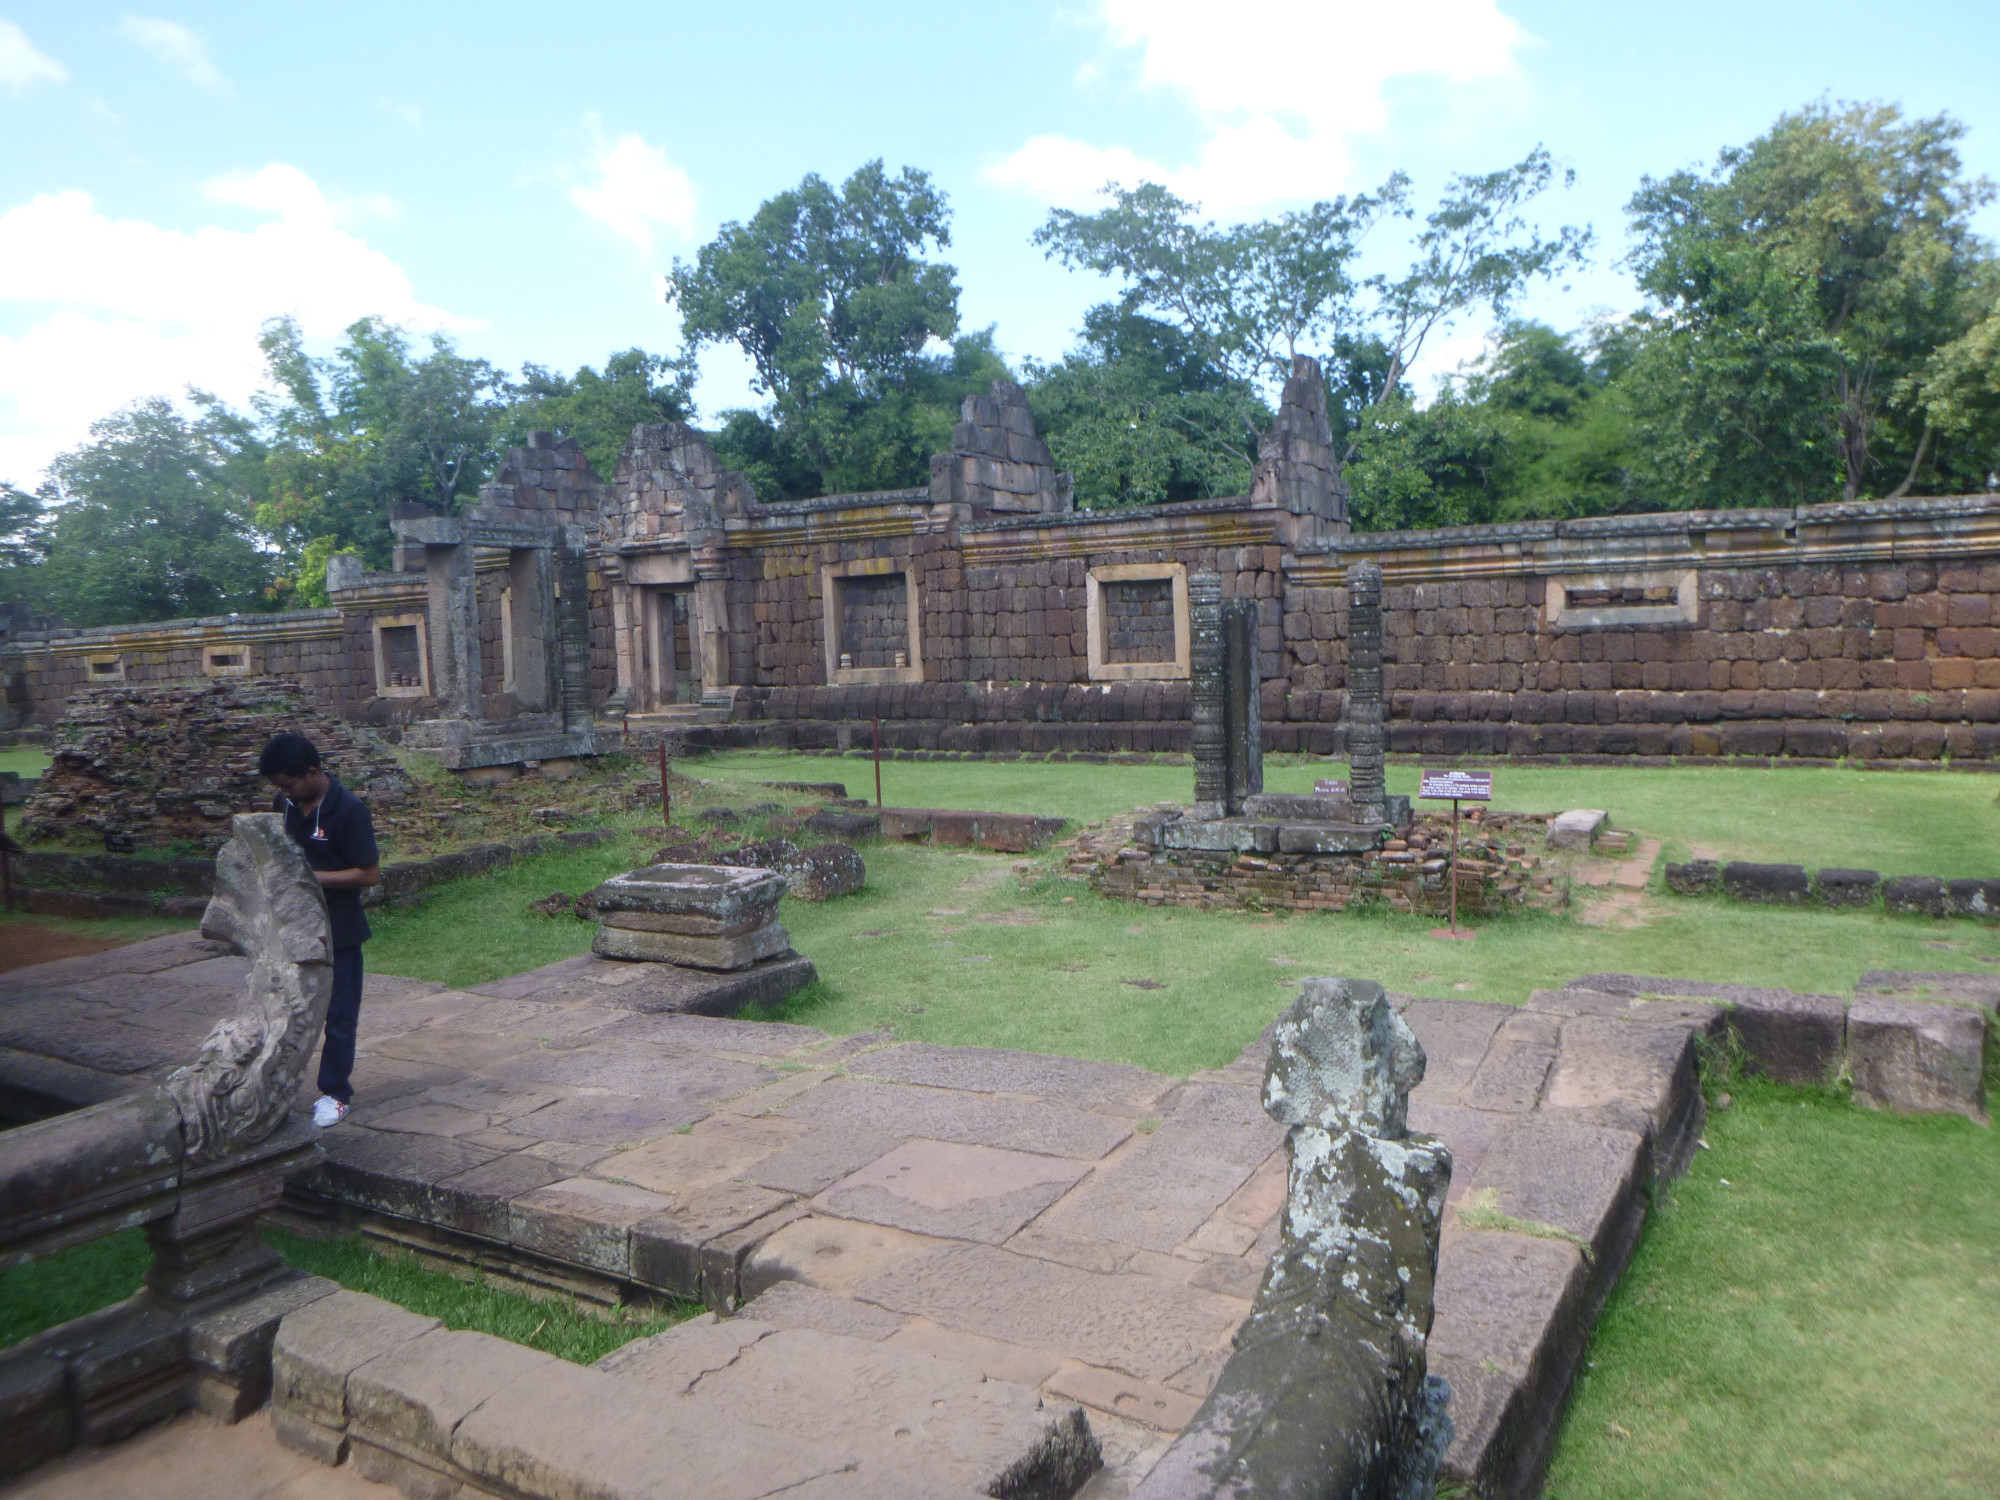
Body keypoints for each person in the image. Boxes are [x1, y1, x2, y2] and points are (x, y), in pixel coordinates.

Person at [257, 732, 381, 1127]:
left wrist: (312, 878)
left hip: (339, 931)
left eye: (290, 784)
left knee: (339, 1016)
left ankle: (335, 1092)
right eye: (279, 787)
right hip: (292, 927)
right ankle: (272, 1081)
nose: (285, 793)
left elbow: (369, 874)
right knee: (286, 1010)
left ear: (312, 773)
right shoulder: (287, 806)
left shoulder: (349, 811)